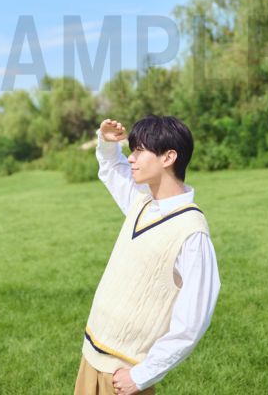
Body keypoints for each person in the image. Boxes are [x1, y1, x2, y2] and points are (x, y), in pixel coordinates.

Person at [74, 115, 221, 394]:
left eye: (140, 150)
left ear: (168, 157)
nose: (131, 158)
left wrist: (141, 375)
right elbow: (112, 168)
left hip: (124, 372)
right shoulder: (141, 203)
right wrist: (107, 142)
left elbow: (193, 321)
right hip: (92, 353)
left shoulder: (192, 233)